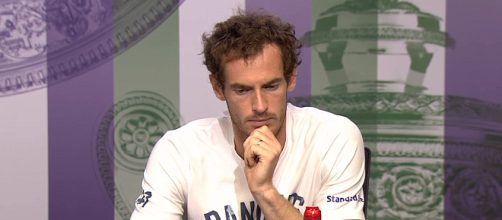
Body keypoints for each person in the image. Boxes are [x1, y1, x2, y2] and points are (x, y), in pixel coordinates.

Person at [130, 10, 365, 220]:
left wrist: (264, 190)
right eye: (242, 90)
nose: (260, 105)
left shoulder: (333, 137)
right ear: (218, 87)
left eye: (271, 86)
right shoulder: (179, 150)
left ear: (291, 78)